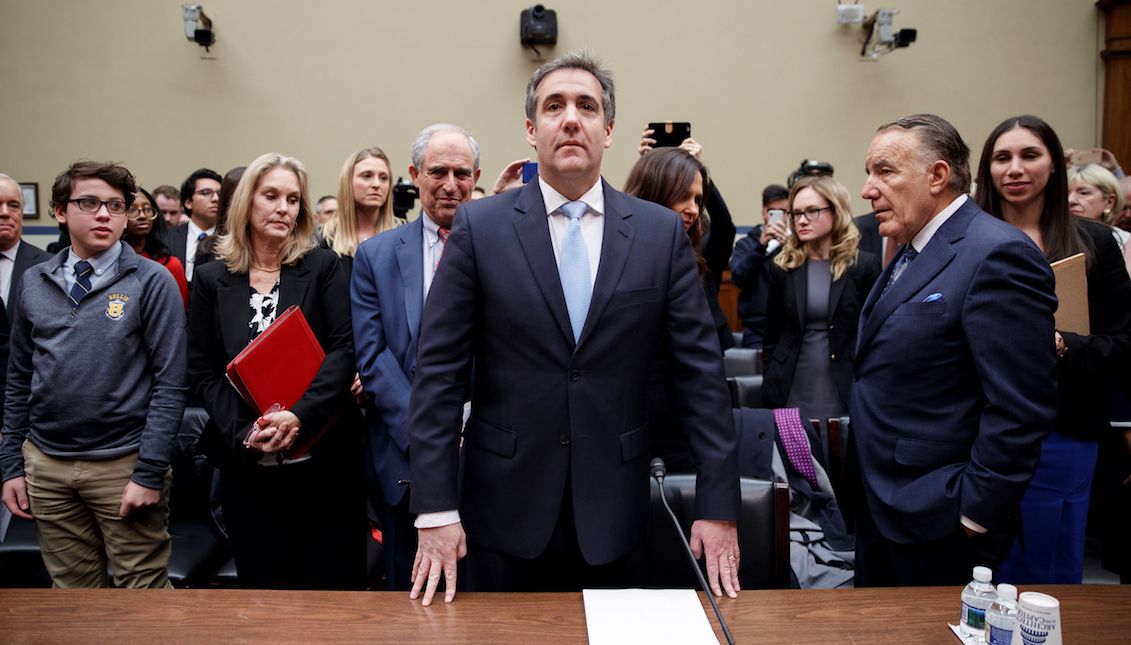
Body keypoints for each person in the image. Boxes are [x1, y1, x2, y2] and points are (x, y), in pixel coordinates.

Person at [407, 51, 740, 605]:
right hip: (500, 513)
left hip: (615, 510)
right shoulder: (480, 227)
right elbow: (438, 375)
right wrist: (436, 509)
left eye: (586, 107)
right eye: (553, 105)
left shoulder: (658, 234)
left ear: (608, 131)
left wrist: (718, 505)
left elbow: (702, 378)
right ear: (531, 129)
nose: (570, 118)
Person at [850, 114, 1058, 587]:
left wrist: (973, 512)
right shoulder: (912, 248)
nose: (867, 189)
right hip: (885, 507)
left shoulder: (996, 253)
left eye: (884, 171)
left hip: (940, 518)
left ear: (937, 176)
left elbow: (1021, 408)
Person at [0, 160, 187, 588]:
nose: (104, 214)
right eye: (89, 203)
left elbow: (171, 382)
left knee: (142, 595)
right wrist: (11, 464)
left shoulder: (151, 280)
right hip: (46, 464)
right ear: (60, 212)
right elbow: (18, 379)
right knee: (72, 597)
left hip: (122, 464)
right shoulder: (34, 281)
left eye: (116, 206)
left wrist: (149, 471)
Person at [188, 153, 365, 590]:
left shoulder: (324, 267)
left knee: (332, 588)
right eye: (271, 196)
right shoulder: (211, 278)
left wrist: (298, 415)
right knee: (264, 590)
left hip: (324, 458)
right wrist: (248, 430)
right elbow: (203, 369)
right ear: (247, 203)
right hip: (248, 464)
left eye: (293, 199)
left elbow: (344, 351)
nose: (284, 208)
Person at [974, 115, 1131, 583]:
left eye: (1029, 155)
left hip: (1065, 428)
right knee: (983, 570)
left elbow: (1124, 345)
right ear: (988, 169)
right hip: (978, 425)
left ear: (1053, 166)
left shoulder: (1096, 243)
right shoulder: (966, 242)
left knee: (1050, 569)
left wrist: (1065, 344)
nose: (1015, 169)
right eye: (1003, 158)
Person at [351, 123, 481, 591]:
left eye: (462, 173)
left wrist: (471, 429)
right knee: (411, 596)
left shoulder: (500, 248)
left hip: (484, 452)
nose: (451, 184)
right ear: (415, 174)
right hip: (402, 451)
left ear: (477, 175)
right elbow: (373, 356)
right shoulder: (376, 255)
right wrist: (428, 437)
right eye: (438, 171)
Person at [763, 176, 880, 426]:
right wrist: (772, 373)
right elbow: (772, 333)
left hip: (844, 378)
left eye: (812, 211)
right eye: (796, 214)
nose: (801, 220)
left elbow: (873, 333)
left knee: (840, 452)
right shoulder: (783, 266)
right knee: (797, 455)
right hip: (791, 378)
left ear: (836, 211)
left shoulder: (863, 266)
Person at [635, 130, 736, 351]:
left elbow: (725, 226)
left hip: (708, 348)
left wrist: (697, 170)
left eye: (698, 200)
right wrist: (651, 167)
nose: (691, 210)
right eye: (682, 195)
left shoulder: (704, 253)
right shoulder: (635, 246)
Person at [731, 184, 789, 348]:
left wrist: (788, 248)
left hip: (791, 328)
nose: (779, 216)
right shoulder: (746, 244)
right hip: (757, 330)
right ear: (764, 212)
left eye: (784, 212)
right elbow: (738, 278)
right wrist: (760, 246)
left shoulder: (797, 244)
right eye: (772, 211)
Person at [322, 148, 397, 260]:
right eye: (367, 176)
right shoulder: (325, 238)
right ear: (348, 182)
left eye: (383, 178)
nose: (376, 184)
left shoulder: (404, 236)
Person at [124, 187, 189, 307]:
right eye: (132, 209)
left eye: (147, 209)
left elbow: (178, 316)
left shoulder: (170, 264)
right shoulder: (106, 261)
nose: (143, 216)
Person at [1068, 163, 1131, 275]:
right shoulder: (1050, 237)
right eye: (1066, 193)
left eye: (1083, 193)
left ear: (1109, 201)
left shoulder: (1126, 241)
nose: (1071, 200)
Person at [168, 168, 222, 283]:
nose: (216, 199)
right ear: (188, 202)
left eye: (219, 194)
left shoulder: (230, 239)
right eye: (206, 193)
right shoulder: (168, 237)